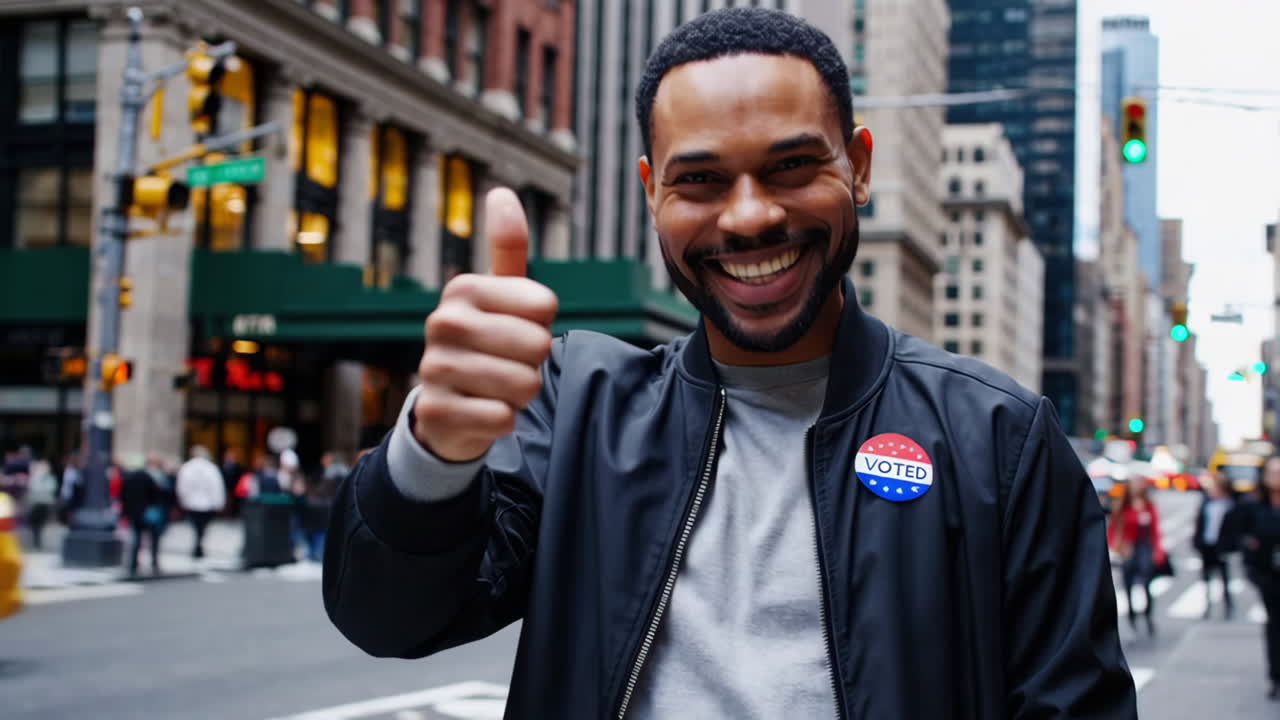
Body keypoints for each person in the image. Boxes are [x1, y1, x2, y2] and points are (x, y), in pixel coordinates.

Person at [322, 9, 1135, 718]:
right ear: (651, 193)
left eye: (790, 166)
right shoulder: (575, 402)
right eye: (702, 180)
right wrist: (433, 452)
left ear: (857, 164)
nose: (748, 216)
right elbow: (389, 618)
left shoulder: (1000, 437)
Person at [1241, 456, 1280, 700]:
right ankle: (1275, 675)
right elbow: (1243, 534)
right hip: (1270, 575)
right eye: (1272, 472)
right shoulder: (1254, 504)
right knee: (1274, 625)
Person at [1109, 477, 1166, 636]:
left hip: (1144, 548)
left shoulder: (1149, 506)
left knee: (1147, 584)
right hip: (1128, 549)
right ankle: (1132, 617)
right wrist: (1117, 547)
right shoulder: (1122, 507)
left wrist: (1158, 551)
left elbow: (1156, 531)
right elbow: (1113, 529)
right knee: (1127, 585)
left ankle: (1148, 616)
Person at [1193, 472, 1239, 619]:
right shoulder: (1206, 504)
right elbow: (1199, 524)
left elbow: (1234, 530)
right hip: (1207, 545)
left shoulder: (1230, 505)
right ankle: (1207, 605)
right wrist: (1197, 542)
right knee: (1206, 577)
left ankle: (1228, 606)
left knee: (1224, 578)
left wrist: (1230, 546)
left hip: (1222, 547)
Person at [177, 446, 227, 559]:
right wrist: (218, 503)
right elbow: (216, 487)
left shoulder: (187, 468)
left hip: (192, 504)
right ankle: (199, 545)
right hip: (206, 505)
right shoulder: (211, 468)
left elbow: (182, 487)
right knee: (202, 527)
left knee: (196, 526)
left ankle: (198, 545)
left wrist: (183, 500)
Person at [120, 455, 166, 577]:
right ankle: (154, 563)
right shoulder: (148, 478)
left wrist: (125, 513)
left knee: (136, 539)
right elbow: (155, 496)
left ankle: (133, 565)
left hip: (134, 514)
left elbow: (123, 497)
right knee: (154, 539)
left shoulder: (128, 478)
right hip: (148, 514)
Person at [23, 458, 57, 550]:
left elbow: (49, 490)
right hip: (35, 505)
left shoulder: (50, 478)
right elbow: (32, 489)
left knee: (40, 525)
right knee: (34, 525)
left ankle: (38, 543)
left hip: (44, 505)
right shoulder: (35, 478)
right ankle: (36, 543)